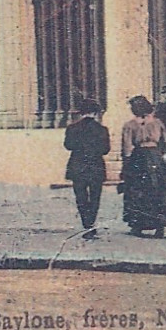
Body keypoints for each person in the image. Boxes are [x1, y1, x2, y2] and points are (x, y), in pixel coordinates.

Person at [120, 95, 166, 237]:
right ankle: (160, 225)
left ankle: (138, 225)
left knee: (138, 190)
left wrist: (126, 164)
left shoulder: (130, 125)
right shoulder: (157, 123)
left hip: (138, 158)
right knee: (159, 190)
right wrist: (161, 155)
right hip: (155, 157)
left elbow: (127, 147)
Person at [63, 97, 109, 238]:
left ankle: (86, 225)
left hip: (78, 165)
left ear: (80, 112)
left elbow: (68, 146)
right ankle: (92, 223)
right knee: (95, 197)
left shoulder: (72, 128)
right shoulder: (102, 129)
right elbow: (105, 149)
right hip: (96, 166)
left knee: (81, 197)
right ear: (95, 113)